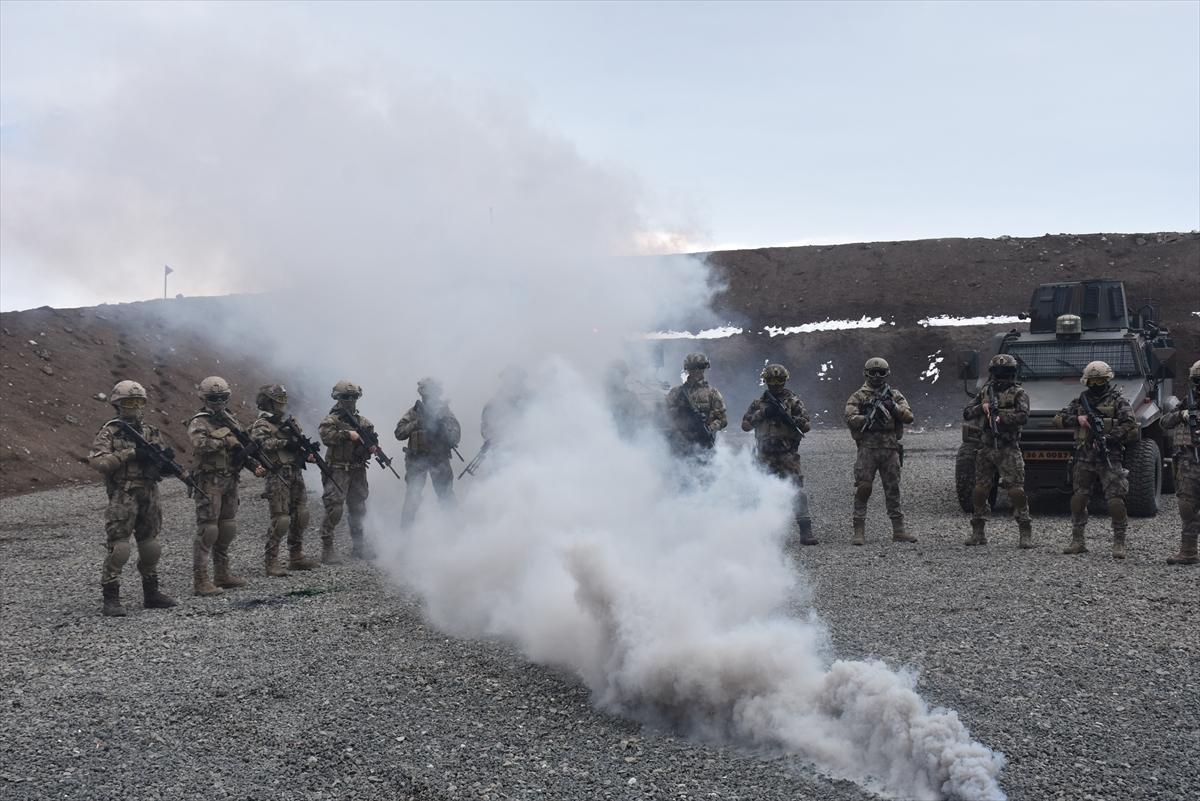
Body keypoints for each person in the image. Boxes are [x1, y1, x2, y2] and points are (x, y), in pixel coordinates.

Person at [88, 380, 177, 616]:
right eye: (129, 402)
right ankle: (111, 598)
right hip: (123, 493)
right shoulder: (110, 431)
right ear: (118, 404)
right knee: (119, 547)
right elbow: (100, 462)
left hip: (149, 491)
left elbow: (162, 462)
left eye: (139, 402)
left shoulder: (150, 431)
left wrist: (164, 462)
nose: (135, 407)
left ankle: (151, 593)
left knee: (151, 545)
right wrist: (131, 453)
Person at [188, 376, 265, 596]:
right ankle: (201, 580)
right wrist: (224, 440)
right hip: (209, 480)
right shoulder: (199, 421)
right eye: (213, 398)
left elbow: (239, 449)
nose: (218, 402)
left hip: (230, 478)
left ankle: (222, 574)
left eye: (222, 398)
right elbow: (199, 445)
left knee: (227, 528)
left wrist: (253, 465)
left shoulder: (231, 420)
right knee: (208, 530)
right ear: (204, 398)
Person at [1053, 360, 1138, 558]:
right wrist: (1077, 419)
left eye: (1099, 380)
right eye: (1092, 381)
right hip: (1084, 456)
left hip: (1109, 455)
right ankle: (1078, 541)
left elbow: (1130, 425)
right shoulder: (1080, 401)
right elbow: (1058, 418)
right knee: (1079, 498)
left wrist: (1109, 438)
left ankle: (1119, 543)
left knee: (1115, 500)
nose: (1095, 384)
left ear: (1107, 380)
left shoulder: (1118, 402)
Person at [741, 363, 818, 545]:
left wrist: (789, 416)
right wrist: (764, 413)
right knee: (761, 492)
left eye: (779, 380)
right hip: (764, 454)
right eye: (771, 380)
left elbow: (806, 425)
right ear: (766, 381)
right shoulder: (758, 403)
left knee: (796, 491)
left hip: (787, 454)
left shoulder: (793, 401)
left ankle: (805, 531)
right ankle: (761, 532)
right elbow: (745, 425)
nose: (775, 384)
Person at [248, 384, 321, 576]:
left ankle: (296, 556)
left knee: (301, 514)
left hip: (295, 471)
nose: (281, 404)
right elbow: (261, 443)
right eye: (277, 400)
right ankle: (271, 561)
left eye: (282, 400)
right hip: (277, 474)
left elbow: (296, 446)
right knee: (280, 519)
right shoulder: (262, 424)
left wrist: (305, 454)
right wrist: (286, 442)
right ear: (268, 402)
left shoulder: (288, 422)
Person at [843, 357, 917, 545]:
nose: (877, 376)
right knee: (864, 487)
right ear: (866, 373)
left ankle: (898, 530)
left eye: (881, 373)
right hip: (868, 448)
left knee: (893, 488)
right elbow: (850, 417)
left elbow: (909, 416)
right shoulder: (858, 396)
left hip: (890, 447)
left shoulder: (894, 395)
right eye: (873, 373)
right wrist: (866, 418)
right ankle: (859, 531)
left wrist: (893, 407)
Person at [962, 354, 1033, 548]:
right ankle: (978, 532)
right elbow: (967, 413)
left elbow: (1023, 416)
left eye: (1006, 372)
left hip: (1008, 448)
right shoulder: (985, 391)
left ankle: (1025, 531)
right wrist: (981, 408)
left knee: (1016, 490)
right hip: (986, 448)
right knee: (980, 490)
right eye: (998, 372)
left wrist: (1001, 416)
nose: (1001, 376)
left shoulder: (1019, 393)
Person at [317, 379, 377, 563]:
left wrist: (371, 447)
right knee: (334, 508)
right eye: (346, 397)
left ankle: (359, 547)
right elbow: (326, 437)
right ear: (337, 397)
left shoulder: (364, 422)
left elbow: (370, 443)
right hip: (337, 469)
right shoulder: (331, 420)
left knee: (358, 508)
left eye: (353, 397)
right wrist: (347, 434)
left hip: (357, 470)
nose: (350, 400)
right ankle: (327, 550)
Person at [394, 377, 461, 529]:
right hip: (417, 460)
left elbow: (455, 437)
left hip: (439, 458)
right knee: (413, 497)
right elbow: (399, 433)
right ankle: (406, 535)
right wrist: (416, 423)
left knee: (446, 496)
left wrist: (442, 425)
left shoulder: (444, 412)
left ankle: (455, 531)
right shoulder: (414, 412)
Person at [1160, 359, 1200, 565]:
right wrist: (1182, 415)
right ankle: (1188, 551)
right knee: (1187, 506)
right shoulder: (1188, 401)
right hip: (1188, 461)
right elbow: (1164, 422)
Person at [664, 352, 727, 459]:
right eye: (693, 367)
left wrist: (709, 428)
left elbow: (722, 420)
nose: (697, 371)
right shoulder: (676, 392)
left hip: (703, 446)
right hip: (679, 447)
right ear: (688, 369)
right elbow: (664, 416)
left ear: (705, 368)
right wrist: (679, 414)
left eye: (700, 367)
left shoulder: (712, 393)